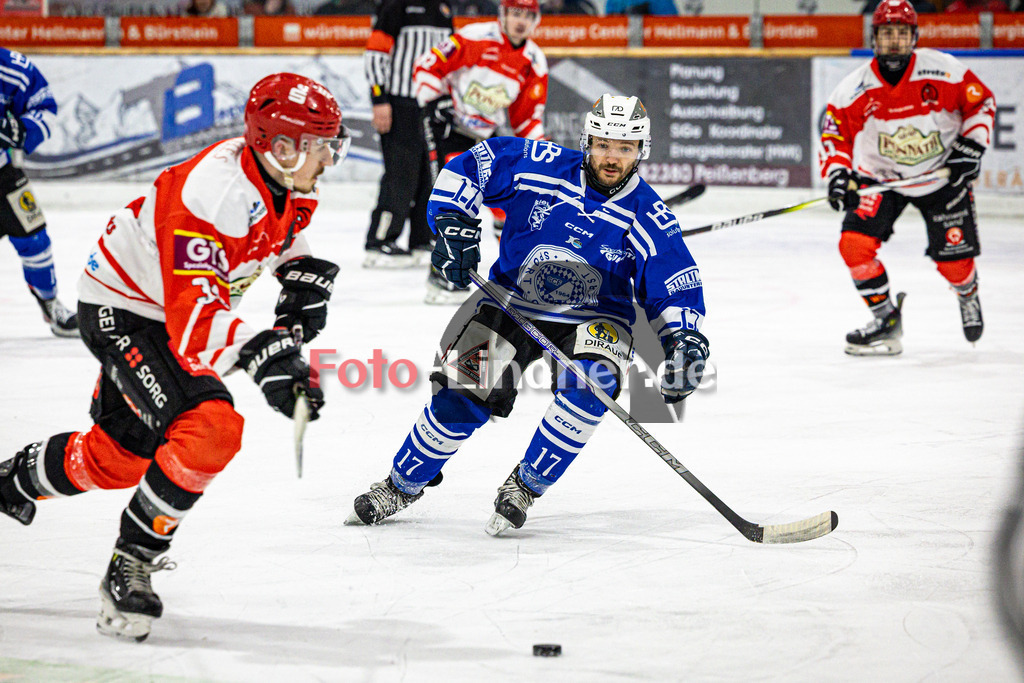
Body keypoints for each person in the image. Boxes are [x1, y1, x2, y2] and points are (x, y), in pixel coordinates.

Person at [0, 73, 349, 642]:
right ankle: (130, 562)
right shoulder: (209, 196)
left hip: (158, 308)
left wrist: (298, 274)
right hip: (127, 310)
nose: (330, 158)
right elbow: (195, 322)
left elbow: (275, 231)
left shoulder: (284, 176)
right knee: (210, 426)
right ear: (281, 145)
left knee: (120, 459)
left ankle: (10, 483)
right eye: (321, 144)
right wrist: (267, 354)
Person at [346, 94, 710, 535]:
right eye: (603, 144)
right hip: (511, 299)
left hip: (596, 317)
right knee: (460, 397)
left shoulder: (651, 215)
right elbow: (468, 166)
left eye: (625, 147)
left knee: (592, 385)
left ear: (641, 151)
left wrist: (684, 341)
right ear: (587, 139)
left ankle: (524, 485)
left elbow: (675, 283)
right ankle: (401, 485)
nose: (612, 157)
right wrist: (452, 224)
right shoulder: (539, 162)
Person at [819, 0, 995, 356]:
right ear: (875, 38)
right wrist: (839, 176)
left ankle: (967, 291)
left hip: (940, 178)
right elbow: (835, 136)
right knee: (853, 244)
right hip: (881, 179)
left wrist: (971, 146)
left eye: (902, 33)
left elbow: (981, 103)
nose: (895, 41)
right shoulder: (854, 89)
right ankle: (886, 319)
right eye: (887, 34)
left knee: (954, 264)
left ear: (914, 36)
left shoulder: (944, 70)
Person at [413, 0, 548, 304]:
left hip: (484, 133)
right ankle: (442, 275)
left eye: (527, 15)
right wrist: (436, 100)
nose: (520, 21)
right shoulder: (475, 37)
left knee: (506, 201)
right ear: (503, 14)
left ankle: (515, 271)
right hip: (447, 125)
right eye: (515, 13)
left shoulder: (534, 61)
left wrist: (543, 156)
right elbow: (426, 65)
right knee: (455, 197)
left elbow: (527, 119)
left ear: (536, 20)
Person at [362, 0, 454, 268]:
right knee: (401, 175)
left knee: (431, 174)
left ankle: (420, 239)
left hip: (432, 105)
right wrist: (379, 100)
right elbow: (375, 54)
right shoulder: (395, 6)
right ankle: (379, 242)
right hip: (400, 103)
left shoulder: (444, 8)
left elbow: (450, 58)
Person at [0, 48, 78, 337]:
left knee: (36, 240)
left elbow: (44, 107)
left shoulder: (9, 66)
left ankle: (50, 304)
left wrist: (18, 130)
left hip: (3, 175)